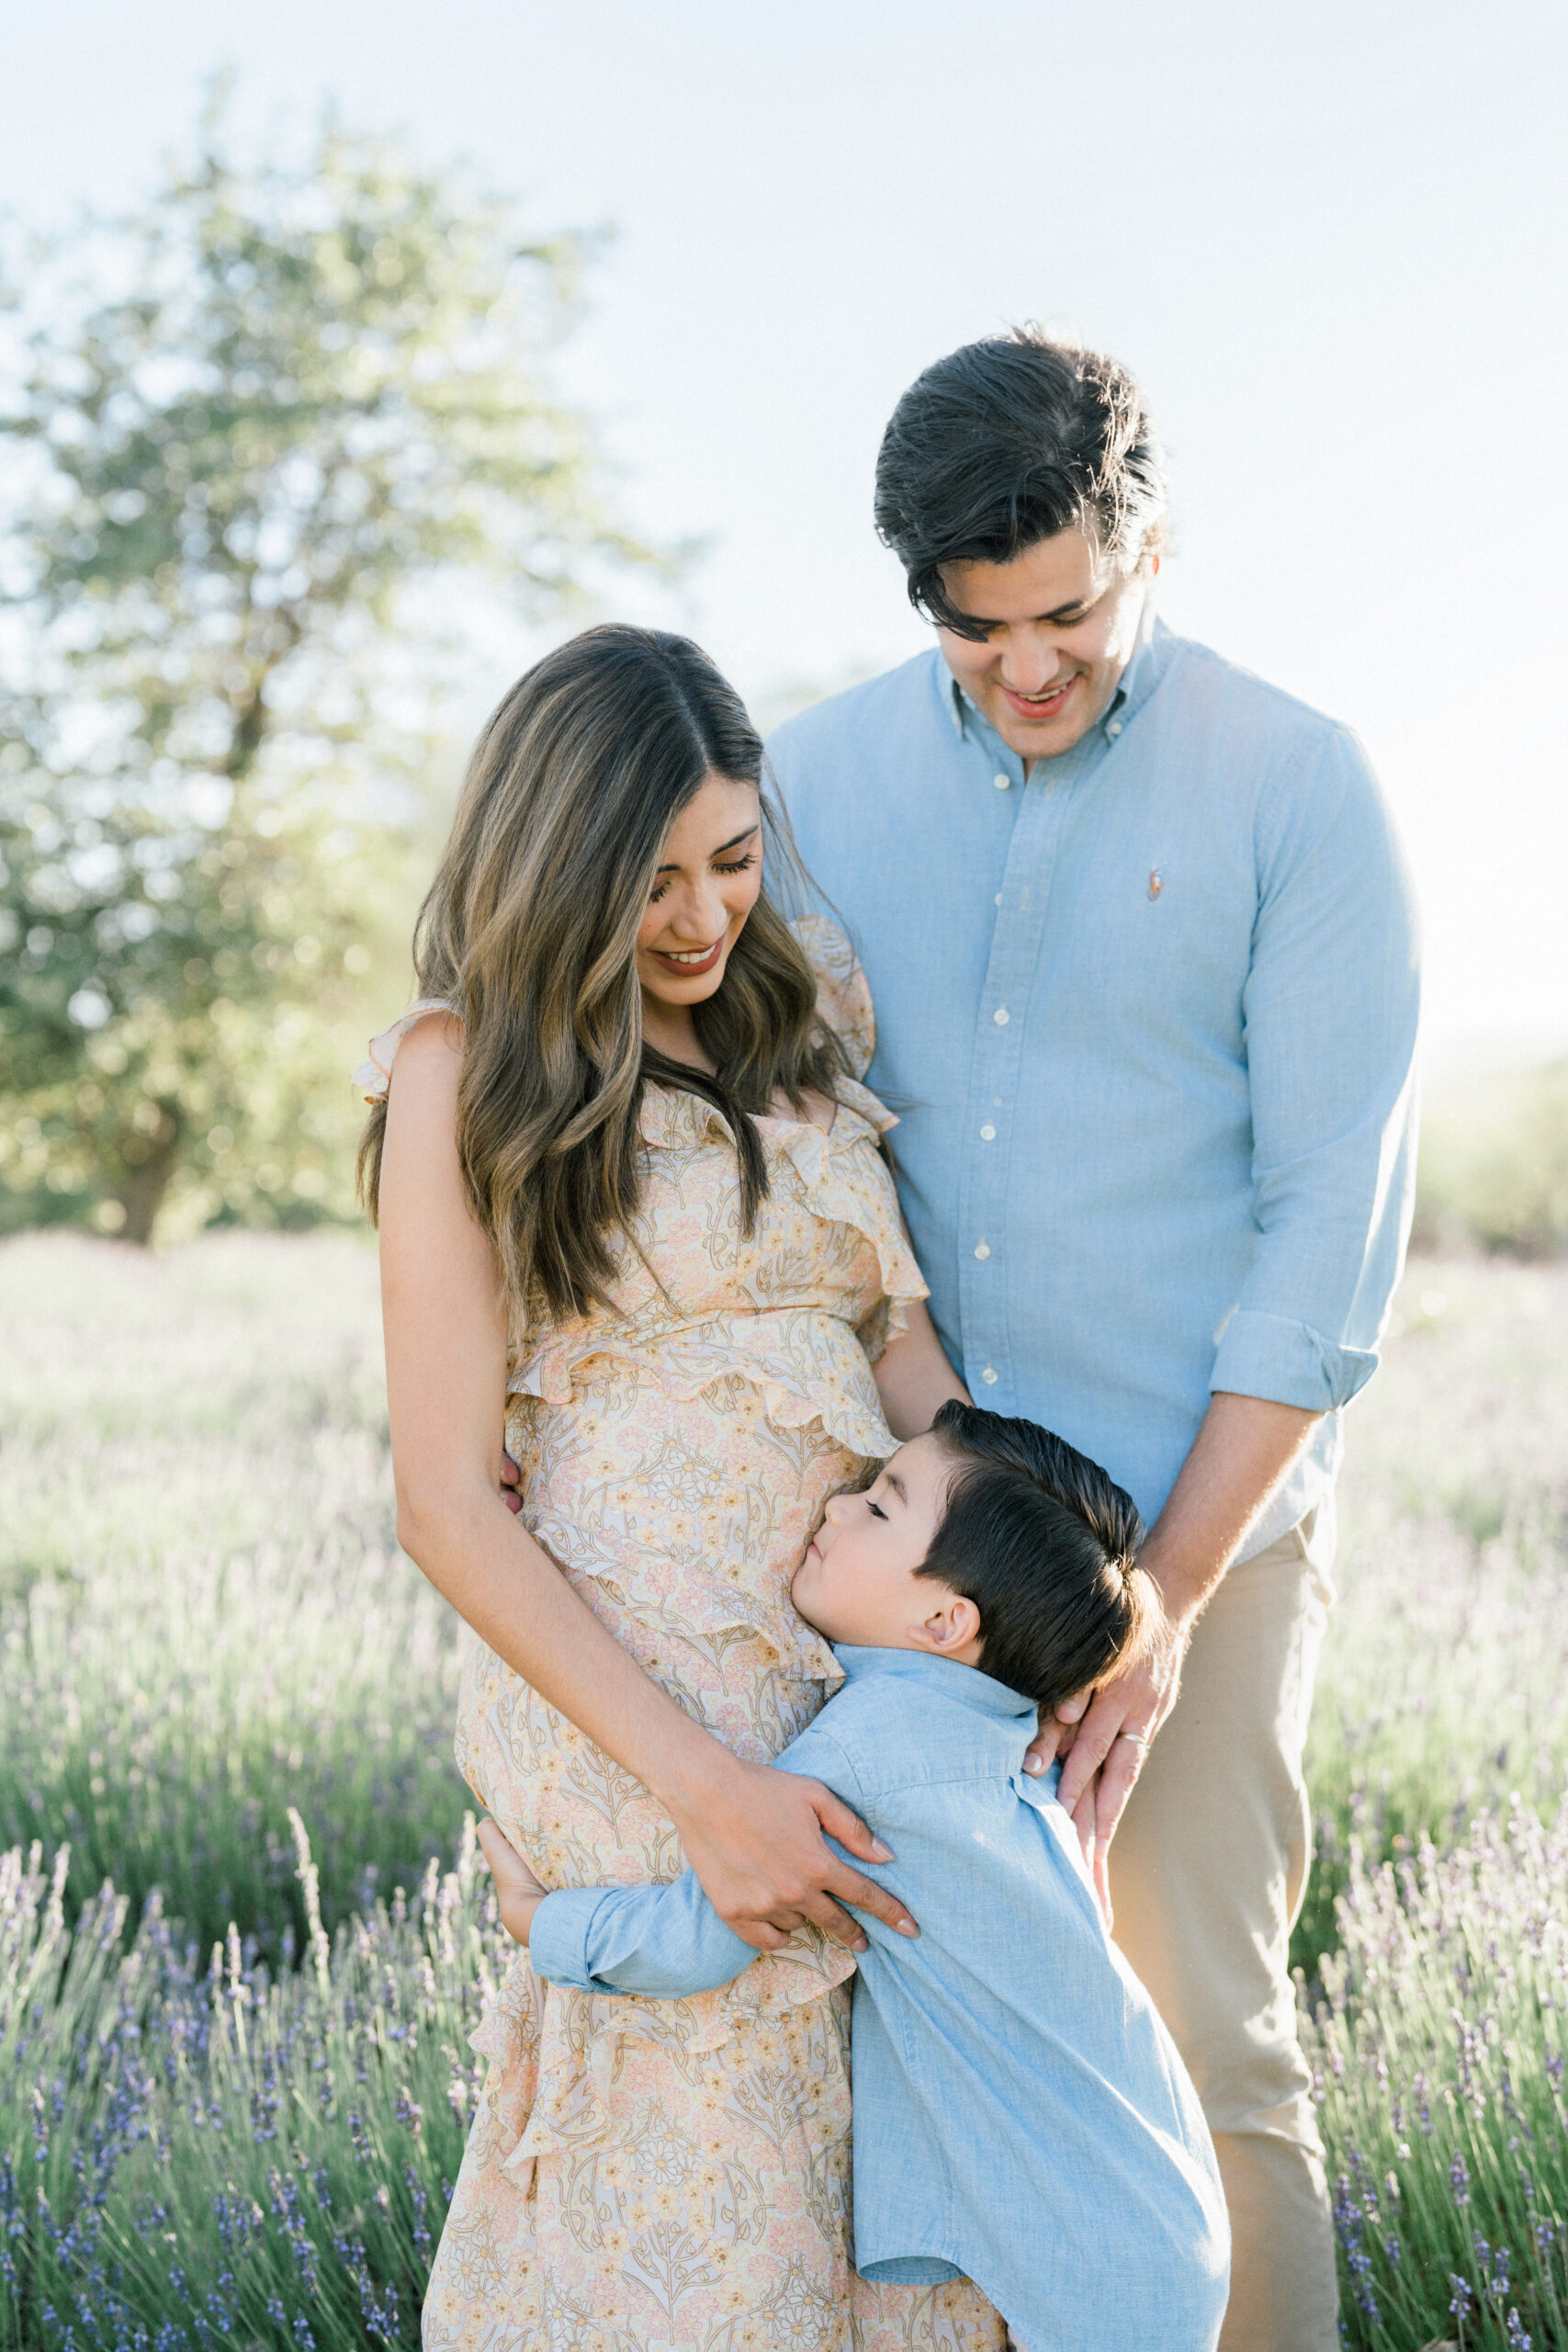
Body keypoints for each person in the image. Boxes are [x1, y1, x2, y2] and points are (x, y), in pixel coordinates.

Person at [766, 329, 1421, 2352]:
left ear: (1148, 544)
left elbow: (1329, 1221)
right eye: (978, 633)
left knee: (1192, 2037)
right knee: (883, 2065)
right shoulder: (807, 781)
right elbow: (768, 1132)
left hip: (1195, 1524)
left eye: (1064, 612)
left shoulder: (1293, 782)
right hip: (885, 1553)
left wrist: (1157, 1600)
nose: (1026, 667)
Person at [360, 622, 1010, 2349]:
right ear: (553, 871)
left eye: (731, 861)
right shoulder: (461, 1076)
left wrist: (1036, 1573)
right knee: (698, 2236)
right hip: (647, 1730)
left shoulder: (797, 1034)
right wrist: (707, 1789)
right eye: (648, 883)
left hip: (866, 1683)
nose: (704, 917)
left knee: (901, 2222)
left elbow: (901, 1361)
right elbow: (444, 1497)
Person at [480, 1402, 1232, 2352]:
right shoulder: (996, 1732)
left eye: (880, 1507)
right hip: (1152, 2206)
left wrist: (545, 1923)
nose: (836, 1509)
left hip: (1100, 2249)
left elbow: (716, 1925)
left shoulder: (876, 1745)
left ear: (944, 1618)